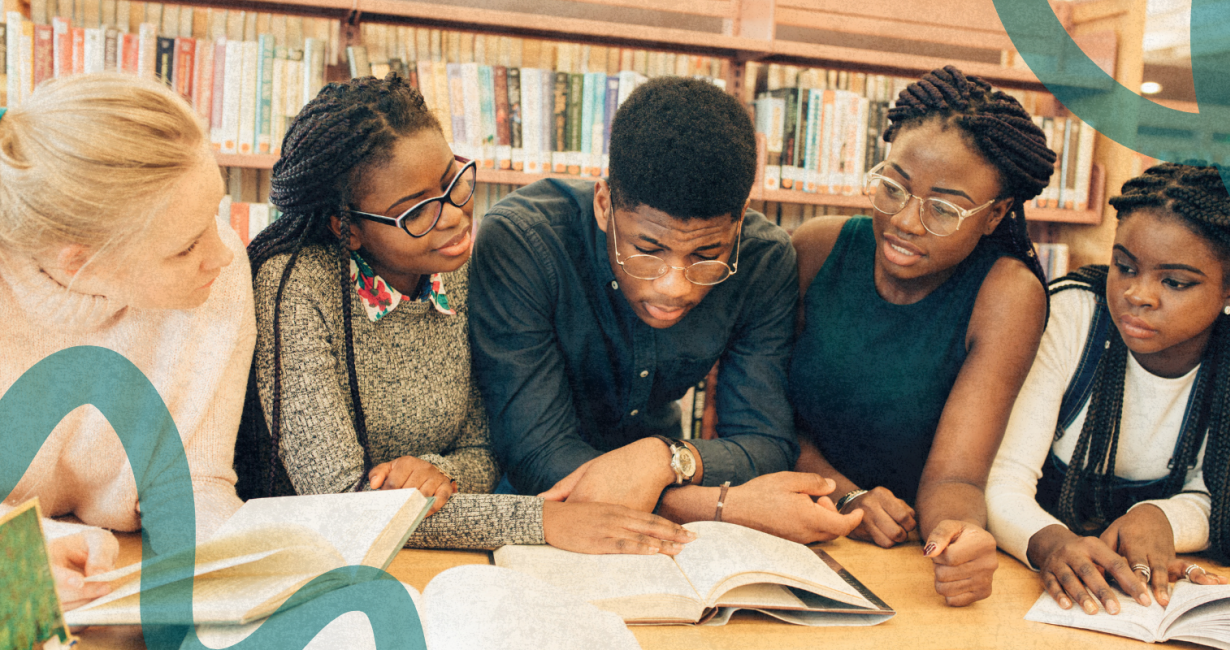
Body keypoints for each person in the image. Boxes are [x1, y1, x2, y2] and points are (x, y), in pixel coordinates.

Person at [236, 74, 694, 556]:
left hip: (432, 552)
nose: (454, 215)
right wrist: (544, 521)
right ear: (346, 229)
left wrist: (438, 475)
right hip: (309, 559)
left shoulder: (458, 271)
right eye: (417, 211)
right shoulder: (294, 288)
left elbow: (484, 451)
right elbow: (342, 503)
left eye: (453, 181)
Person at [469, 76, 861, 543]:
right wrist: (719, 507)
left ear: (740, 219)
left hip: (673, 487)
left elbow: (767, 441)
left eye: (706, 255)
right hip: (537, 515)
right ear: (602, 203)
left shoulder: (762, 259)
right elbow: (535, 452)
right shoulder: (523, 242)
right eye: (647, 249)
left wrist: (664, 459)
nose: (674, 288)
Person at [788, 66, 1057, 606]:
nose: (906, 222)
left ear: (995, 214)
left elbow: (956, 475)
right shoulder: (815, 249)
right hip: (785, 520)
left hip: (898, 555)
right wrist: (843, 493)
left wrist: (956, 538)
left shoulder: (1006, 294)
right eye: (893, 187)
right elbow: (755, 414)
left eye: (943, 208)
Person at [986, 162, 1230, 615]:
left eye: (1174, 282)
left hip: (1167, 591)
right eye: (1125, 266)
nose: (1138, 294)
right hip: (1031, 580)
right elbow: (1001, 479)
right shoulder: (1072, 313)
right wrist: (1051, 543)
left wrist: (1162, 518)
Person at [0, 73, 251, 606]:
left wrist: (231, 584)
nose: (223, 253)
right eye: (185, 247)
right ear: (82, 264)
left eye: (216, 213)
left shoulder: (219, 276)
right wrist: (21, 548)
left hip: (120, 585)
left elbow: (197, 482)